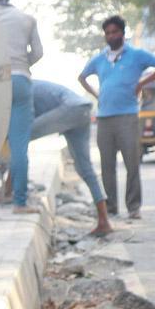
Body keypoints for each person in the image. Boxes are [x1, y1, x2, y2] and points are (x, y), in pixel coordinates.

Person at [78, 15, 155, 220]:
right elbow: (82, 77)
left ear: (122, 33)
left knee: (132, 164)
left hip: (128, 116)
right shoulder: (100, 58)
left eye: (114, 32)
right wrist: (95, 94)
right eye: (108, 33)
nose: (111, 36)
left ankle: (133, 207)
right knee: (107, 165)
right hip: (104, 118)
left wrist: (142, 83)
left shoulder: (136, 55)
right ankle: (111, 207)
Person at [0, 0, 43, 213]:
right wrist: (21, 64)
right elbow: (38, 52)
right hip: (20, 80)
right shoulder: (27, 19)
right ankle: (19, 202)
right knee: (19, 147)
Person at [32, 80, 112, 236]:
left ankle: (9, 190)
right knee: (84, 168)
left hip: (71, 109)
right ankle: (104, 221)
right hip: (83, 109)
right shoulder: (31, 86)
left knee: (18, 138)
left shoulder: (19, 90)